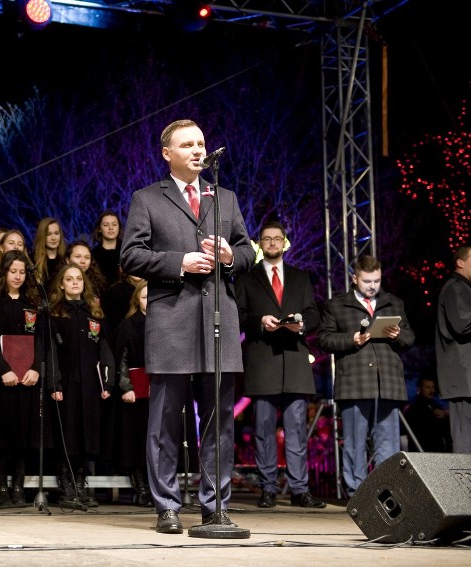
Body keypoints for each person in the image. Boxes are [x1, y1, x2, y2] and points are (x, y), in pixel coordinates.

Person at [120, 119, 254, 533]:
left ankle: (215, 505)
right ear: (167, 153)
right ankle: (167, 505)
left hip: (218, 319)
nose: (198, 150)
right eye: (187, 144)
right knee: (164, 421)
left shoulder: (224, 197)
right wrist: (179, 261)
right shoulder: (147, 199)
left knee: (219, 421)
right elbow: (130, 256)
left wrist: (231, 256)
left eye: (201, 143)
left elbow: (249, 252)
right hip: (172, 319)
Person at [234, 220, 325, 509]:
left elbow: (314, 313)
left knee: (297, 430)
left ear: (284, 243)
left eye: (277, 239)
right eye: (267, 239)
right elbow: (238, 316)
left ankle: (300, 490)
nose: (272, 243)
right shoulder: (247, 279)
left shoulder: (300, 277)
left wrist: (301, 324)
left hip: (295, 362)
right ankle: (268, 489)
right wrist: (260, 322)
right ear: (260, 244)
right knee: (263, 430)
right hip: (263, 361)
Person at [317, 255, 415, 498]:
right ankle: (357, 495)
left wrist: (396, 335)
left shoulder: (394, 303)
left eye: (377, 281)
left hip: (387, 383)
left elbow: (409, 338)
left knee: (388, 445)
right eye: (367, 281)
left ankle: (388, 495)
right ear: (354, 278)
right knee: (354, 443)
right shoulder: (337, 305)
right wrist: (352, 339)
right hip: (355, 383)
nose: (372, 286)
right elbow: (324, 339)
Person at [0, 250, 43, 506]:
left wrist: (36, 367)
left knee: (23, 435)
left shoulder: (32, 301)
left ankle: (19, 486)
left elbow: (40, 338)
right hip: (2, 378)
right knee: (2, 435)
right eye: (12, 271)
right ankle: (1, 488)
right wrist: (4, 369)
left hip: (27, 378)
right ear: (4, 272)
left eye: (21, 272)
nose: (17, 276)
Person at [47, 263, 115, 508]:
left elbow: (105, 350)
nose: (75, 282)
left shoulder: (93, 313)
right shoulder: (55, 313)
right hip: (66, 384)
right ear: (62, 283)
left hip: (90, 385)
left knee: (88, 432)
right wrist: (54, 383)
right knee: (68, 432)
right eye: (69, 278)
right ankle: (65, 482)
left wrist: (108, 382)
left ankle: (82, 481)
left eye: (79, 278)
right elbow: (51, 351)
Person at [113, 280, 153, 507]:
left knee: (155, 444)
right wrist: (126, 387)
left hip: (158, 393)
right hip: (135, 395)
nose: (149, 301)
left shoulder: (165, 325)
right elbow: (122, 359)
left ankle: (156, 488)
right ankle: (141, 489)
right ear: (137, 300)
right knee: (136, 444)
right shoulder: (128, 326)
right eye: (145, 297)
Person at [435, 245, 471, 453]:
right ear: (460, 262)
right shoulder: (456, 287)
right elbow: (463, 324)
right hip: (464, 379)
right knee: (465, 438)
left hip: (467, 378)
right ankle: (464, 485)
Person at [403, 377, 451, 452]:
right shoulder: (414, 407)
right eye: (427, 387)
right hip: (422, 449)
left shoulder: (436, 404)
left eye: (433, 387)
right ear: (419, 389)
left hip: (438, 449)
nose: (431, 390)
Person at [91, 210, 122, 288]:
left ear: (119, 227)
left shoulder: (128, 250)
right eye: (106, 225)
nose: (111, 228)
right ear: (99, 229)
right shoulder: (93, 255)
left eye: (114, 224)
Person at [32, 217, 66, 286]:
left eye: (56, 233)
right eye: (48, 234)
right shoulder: (33, 260)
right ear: (42, 236)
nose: (53, 238)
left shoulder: (65, 259)